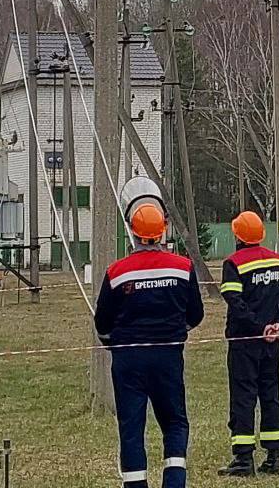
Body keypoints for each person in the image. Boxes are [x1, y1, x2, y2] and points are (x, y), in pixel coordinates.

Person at [94, 203, 204, 488]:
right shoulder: (183, 267)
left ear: (133, 231)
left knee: (131, 428)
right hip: (168, 355)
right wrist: (177, 332)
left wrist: (113, 344)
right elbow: (195, 314)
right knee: (175, 423)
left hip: (128, 359)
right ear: (162, 231)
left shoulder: (117, 272)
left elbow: (103, 322)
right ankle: (174, 482)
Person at [218, 211, 279, 477]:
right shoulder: (278, 261)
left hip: (245, 341)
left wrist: (257, 326)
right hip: (272, 342)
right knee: (270, 394)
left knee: (243, 397)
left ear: (237, 236)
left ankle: (243, 459)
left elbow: (235, 302)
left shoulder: (234, 263)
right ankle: (274, 457)